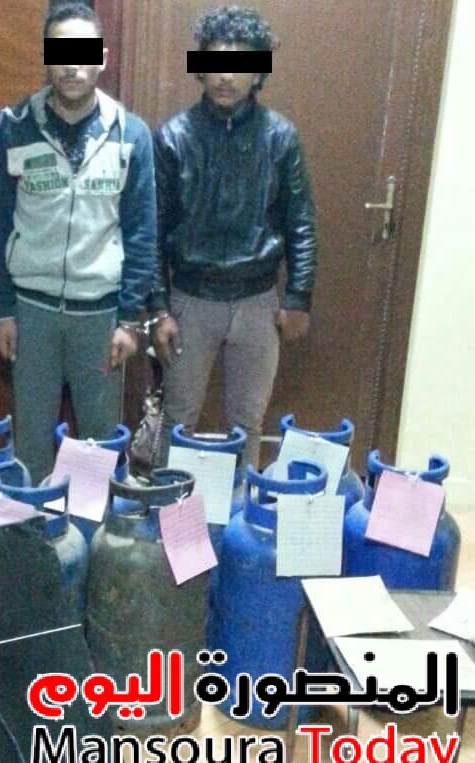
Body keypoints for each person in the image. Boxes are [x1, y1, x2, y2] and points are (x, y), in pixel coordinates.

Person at [0, 1, 156, 482]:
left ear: (102, 58)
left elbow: (142, 233)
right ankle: (33, 524)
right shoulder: (12, 127)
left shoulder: (131, 135)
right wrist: (1, 309)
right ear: (46, 57)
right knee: (31, 442)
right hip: (30, 312)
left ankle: (89, 526)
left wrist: (130, 320)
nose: (72, 65)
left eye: (83, 53)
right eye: (61, 52)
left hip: (100, 317)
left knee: (98, 444)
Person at [150, 6, 318, 470]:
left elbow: (301, 221)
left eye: (240, 64)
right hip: (191, 300)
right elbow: (153, 230)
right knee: (178, 418)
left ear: (258, 70)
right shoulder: (172, 137)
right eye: (216, 62)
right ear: (200, 67)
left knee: (248, 422)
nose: (226, 76)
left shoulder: (280, 137)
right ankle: (170, 503)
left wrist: (299, 297)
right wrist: (158, 308)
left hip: (257, 301)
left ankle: (239, 507)